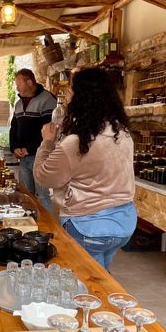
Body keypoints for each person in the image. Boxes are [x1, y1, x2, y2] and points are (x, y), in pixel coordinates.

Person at [33, 67, 136, 271]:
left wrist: (46, 143)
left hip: (88, 226)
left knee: (90, 285)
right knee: (102, 277)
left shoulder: (77, 143)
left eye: (70, 91)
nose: (66, 97)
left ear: (82, 99)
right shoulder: (122, 133)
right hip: (123, 223)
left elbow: (44, 176)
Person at [9, 68, 56, 214]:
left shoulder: (47, 100)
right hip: (23, 158)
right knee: (26, 196)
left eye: (19, 85)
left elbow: (48, 130)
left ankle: (46, 230)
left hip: (39, 156)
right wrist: (14, 148)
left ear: (29, 82)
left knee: (42, 196)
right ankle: (29, 227)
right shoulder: (18, 104)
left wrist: (29, 149)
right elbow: (13, 128)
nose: (17, 89)